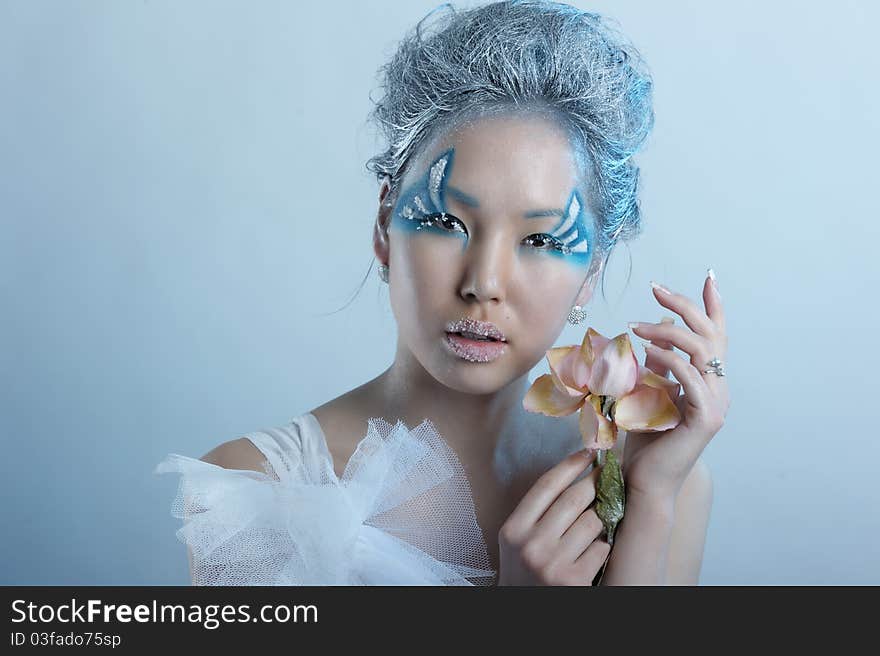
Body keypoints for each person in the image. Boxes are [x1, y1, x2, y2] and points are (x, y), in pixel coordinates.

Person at [156, 0, 729, 586]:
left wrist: (652, 500)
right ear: (384, 224)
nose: (482, 284)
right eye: (445, 224)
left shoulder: (650, 479)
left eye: (541, 239)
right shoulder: (260, 490)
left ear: (591, 271)